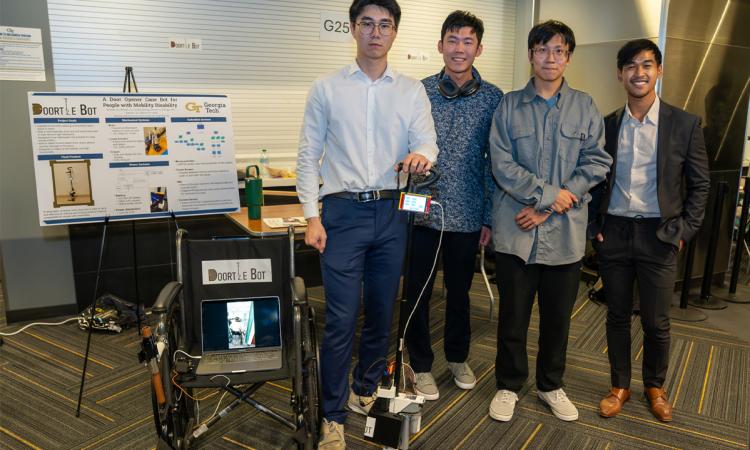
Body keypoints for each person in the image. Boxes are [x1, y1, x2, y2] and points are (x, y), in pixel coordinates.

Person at [295, 1, 438, 448]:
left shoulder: (411, 90)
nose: (376, 32)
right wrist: (311, 217)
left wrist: (422, 157)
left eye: (385, 25)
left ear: (395, 32)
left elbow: (427, 142)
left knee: (381, 310)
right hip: (342, 213)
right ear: (353, 29)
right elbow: (307, 156)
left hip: (393, 210)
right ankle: (332, 416)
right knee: (340, 318)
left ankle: (364, 388)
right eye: (367, 24)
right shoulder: (327, 88)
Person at [487, 20, 611, 422]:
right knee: (513, 318)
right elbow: (501, 164)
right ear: (530, 55)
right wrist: (546, 195)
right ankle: (508, 386)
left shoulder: (585, 106)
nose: (550, 57)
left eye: (558, 50)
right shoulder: (508, 105)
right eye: (542, 49)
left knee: (557, 321)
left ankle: (550, 385)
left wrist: (549, 206)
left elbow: (597, 161)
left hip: (566, 236)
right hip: (515, 233)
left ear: (568, 57)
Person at [589, 39, 709, 422]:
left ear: (658, 71)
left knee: (657, 321)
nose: (638, 73)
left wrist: (684, 231)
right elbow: (594, 181)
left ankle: (655, 387)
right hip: (616, 233)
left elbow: (700, 184)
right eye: (630, 66)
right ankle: (619, 385)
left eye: (646, 65)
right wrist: (595, 227)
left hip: (661, 234)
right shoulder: (607, 125)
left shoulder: (684, 123)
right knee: (617, 316)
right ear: (620, 74)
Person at [404, 10, 503, 401]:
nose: (459, 49)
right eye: (452, 40)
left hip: (467, 211)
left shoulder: (494, 98)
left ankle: (458, 357)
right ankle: (421, 363)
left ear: (478, 48)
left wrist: (490, 216)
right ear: (440, 45)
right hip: (420, 210)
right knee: (418, 291)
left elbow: (495, 162)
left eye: (467, 42)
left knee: (460, 291)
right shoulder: (418, 91)